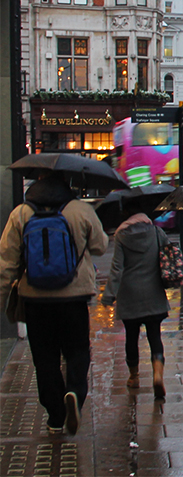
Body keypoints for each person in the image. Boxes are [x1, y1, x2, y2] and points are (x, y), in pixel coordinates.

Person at [0, 175, 108, 434]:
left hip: (35, 300)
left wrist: (3, 294)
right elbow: (101, 247)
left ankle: (55, 416)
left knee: (45, 359)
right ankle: (74, 393)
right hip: (74, 297)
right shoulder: (81, 209)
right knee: (78, 351)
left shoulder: (21, 213)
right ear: (66, 187)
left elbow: (7, 261)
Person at [101, 207, 170, 397]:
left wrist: (108, 295)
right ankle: (157, 374)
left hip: (129, 294)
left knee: (131, 336)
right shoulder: (156, 232)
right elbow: (169, 253)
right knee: (154, 336)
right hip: (153, 292)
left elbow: (117, 268)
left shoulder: (122, 236)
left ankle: (134, 377)